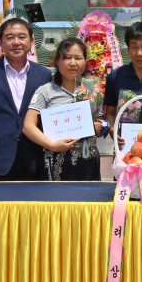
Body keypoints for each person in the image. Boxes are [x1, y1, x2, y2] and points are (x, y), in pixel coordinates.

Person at [0, 18, 52, 181]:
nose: (16, 42)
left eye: (22, 37)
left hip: (34, 156)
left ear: (31, 41)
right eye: (9, 37)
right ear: (0, 42)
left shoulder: (43, 74)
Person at [22, 38, 105, 181]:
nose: (73, 63)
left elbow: (100, 122)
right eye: (67, 58)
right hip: (55, 161)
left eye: (78, 58)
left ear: (85, 61)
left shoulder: (94, 91)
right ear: (57, 61)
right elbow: (28, 126)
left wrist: (101, 126)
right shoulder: (45, 91)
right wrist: (51, 145)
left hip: (88, 162)